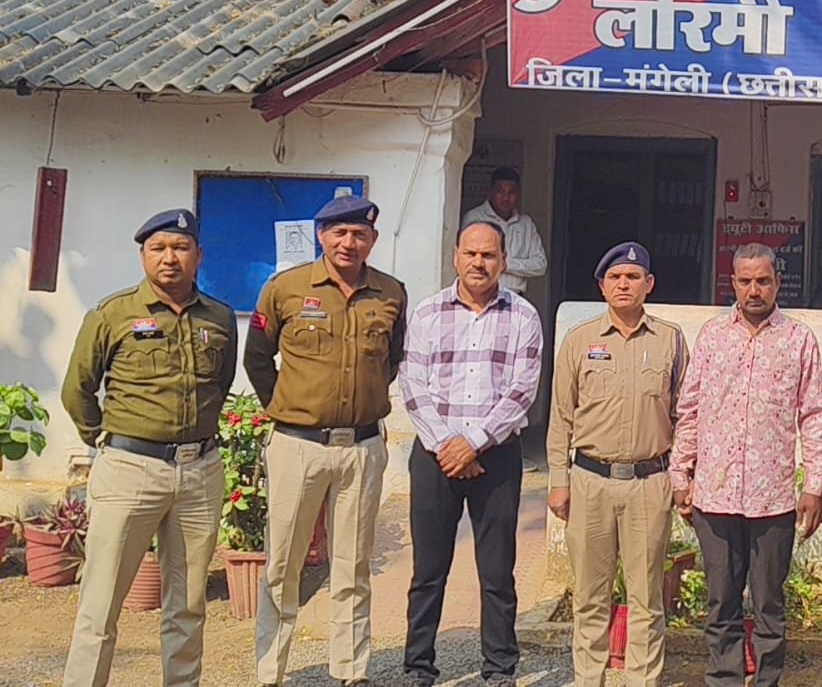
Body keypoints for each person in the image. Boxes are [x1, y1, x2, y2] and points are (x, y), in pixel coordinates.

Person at [61, 209, 235, 687]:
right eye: (158, 248)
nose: (169, 258)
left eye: (180, 248)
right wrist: (106, 441)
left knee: (188, 604)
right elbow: (77, 389)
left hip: (199, 473)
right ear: (143, 256)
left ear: (199, 255)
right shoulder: (112, 313)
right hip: (130, 469)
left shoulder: (219, 317)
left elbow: (219, 385)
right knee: (101, 603)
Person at [244, 195, 407, 687]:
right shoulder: (286, 289)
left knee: (352, 566)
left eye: (359, 234)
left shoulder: (391, 293)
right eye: (339, 233)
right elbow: (257, 358)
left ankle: (351, 671)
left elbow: (392, 359)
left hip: (361, 448)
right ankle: (270, 671)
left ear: (372, 240)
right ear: (321, 235)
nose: (348, 243)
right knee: (283, 564)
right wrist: (288, 407)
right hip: (298, 445)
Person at [670, 242, 822, 687]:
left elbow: (815, 415)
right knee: (720, 602)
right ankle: (723, 678)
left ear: (777, 282)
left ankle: (767, 681)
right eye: (745, 281)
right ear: (733, 283)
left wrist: (814, 485)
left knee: (769, 605)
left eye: (763, 281)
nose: (754, 290)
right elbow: (690, 409)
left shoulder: (798, 339)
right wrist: (681, 473)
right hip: (715, 496)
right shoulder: (712, 337)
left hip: (772, 499)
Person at [397, 221, 541, 687]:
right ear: (456, 256)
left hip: (496, 458)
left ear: (503, 261)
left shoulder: (523, 316)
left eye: (489, 255)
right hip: (435, 456)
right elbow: (412, 385)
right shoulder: (427, 312)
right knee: (428, 570)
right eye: (471, 254)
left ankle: (499, 668)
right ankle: (419, 666)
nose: (479, 263)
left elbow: (522, 391)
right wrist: (448, 446)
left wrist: (473, 443)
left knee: (497, 572)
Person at [547, 241, 688, 687]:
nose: (623, 284)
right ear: (602, 286)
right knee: (591, 596)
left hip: (649, 482)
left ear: (649, 284)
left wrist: (681, 477)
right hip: (590, 481)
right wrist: (558, 480)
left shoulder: (670, 340)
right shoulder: (580, 340)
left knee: (646, 597)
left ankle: (643, 680)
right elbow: (561, 416)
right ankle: (589, 678)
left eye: (632, 277)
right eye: (615, 277)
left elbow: (685, 414)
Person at [462, 167, 547, 297]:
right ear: (490, 192)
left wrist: (506, 264)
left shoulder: (526, 224)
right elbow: (467, 258)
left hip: (515, 296)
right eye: (500, 191)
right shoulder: (475, 218)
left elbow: (540, 265)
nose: (506, 198)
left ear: (518, 194)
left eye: (511, 192)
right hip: (480, 295)